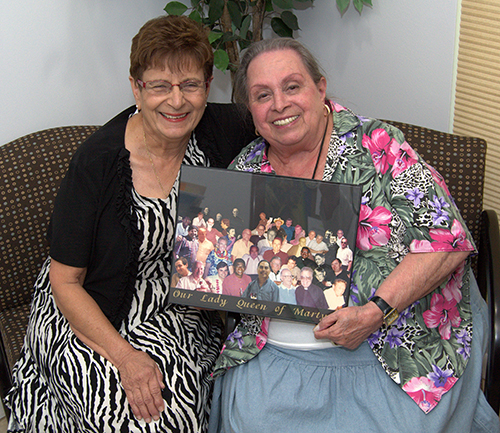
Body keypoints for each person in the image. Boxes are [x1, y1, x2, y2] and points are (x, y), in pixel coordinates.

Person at [209, 38, 499, 432]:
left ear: (321, 88)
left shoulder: (378, 145)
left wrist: (374, 312)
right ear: (251, 111)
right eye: (263, 95)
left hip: (390, 340)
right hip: (277, 353)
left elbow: (448, 242)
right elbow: (227, 273)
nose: (279, 103)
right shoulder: (244, 170)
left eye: (292, 86)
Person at [5, 15, 256, 433]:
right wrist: (125, 357)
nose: (176, 101)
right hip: (90, 307)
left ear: (207, 87)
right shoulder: (96, 163)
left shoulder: (219, 130)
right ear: (136, 87)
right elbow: (64, 281)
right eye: (159, 85)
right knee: (123, 417)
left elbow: (287, 115)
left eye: (189, 85)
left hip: (175, 306)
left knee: (174, 414)